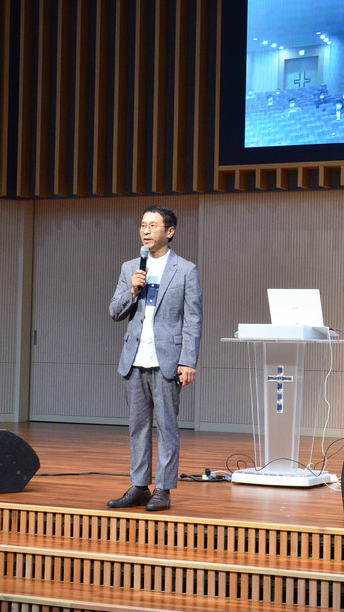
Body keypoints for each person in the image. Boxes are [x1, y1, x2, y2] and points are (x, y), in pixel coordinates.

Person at [107, 205, 203, 512]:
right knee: (138, 427)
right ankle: (139, 486)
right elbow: (115, 312)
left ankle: (163, 488)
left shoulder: (186, 270)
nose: (146, 231)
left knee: (167, 426)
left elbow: (193, 320)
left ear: (169, 232)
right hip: (135, 358)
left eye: (153, 225)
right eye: (142, 225)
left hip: (167, 361)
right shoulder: (130, 268)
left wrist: (188, 361)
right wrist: (133, 291)